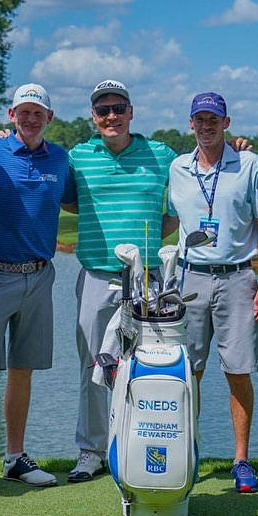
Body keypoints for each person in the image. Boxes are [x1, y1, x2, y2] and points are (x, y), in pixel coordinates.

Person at [0, 83, 75, 491]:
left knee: (23, 370)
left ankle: (14, 457)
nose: (29, 119)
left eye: (37, 112)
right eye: (22, 112)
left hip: (40, 277)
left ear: (49, 118)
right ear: (11, 115)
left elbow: (76, 200)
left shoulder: (60, 159)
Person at [63, 79, 181, 482]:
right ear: (93, 117)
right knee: (95, 366)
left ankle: (140, 445)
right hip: (97, 275)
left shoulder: (161, 155)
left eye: (118, 108)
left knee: (150, 366)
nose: (111, 116)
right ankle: (91, 451)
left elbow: (191, 191)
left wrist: (236, 148)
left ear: (131, 111)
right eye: (102, 110)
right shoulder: (79, 157)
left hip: (148, 280)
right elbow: (55, 189)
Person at [167, 92, 258, 494]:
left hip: (237, 279)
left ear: (226, 122)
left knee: (238, 371)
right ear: (191, 123)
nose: (207, 125)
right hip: (189, 279)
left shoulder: (249, 163)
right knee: (187, 372)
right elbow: (167, 216)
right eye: (200, 119)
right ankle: (187, 453)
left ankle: (241, 460)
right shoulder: (177, 167)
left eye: (214, 119)